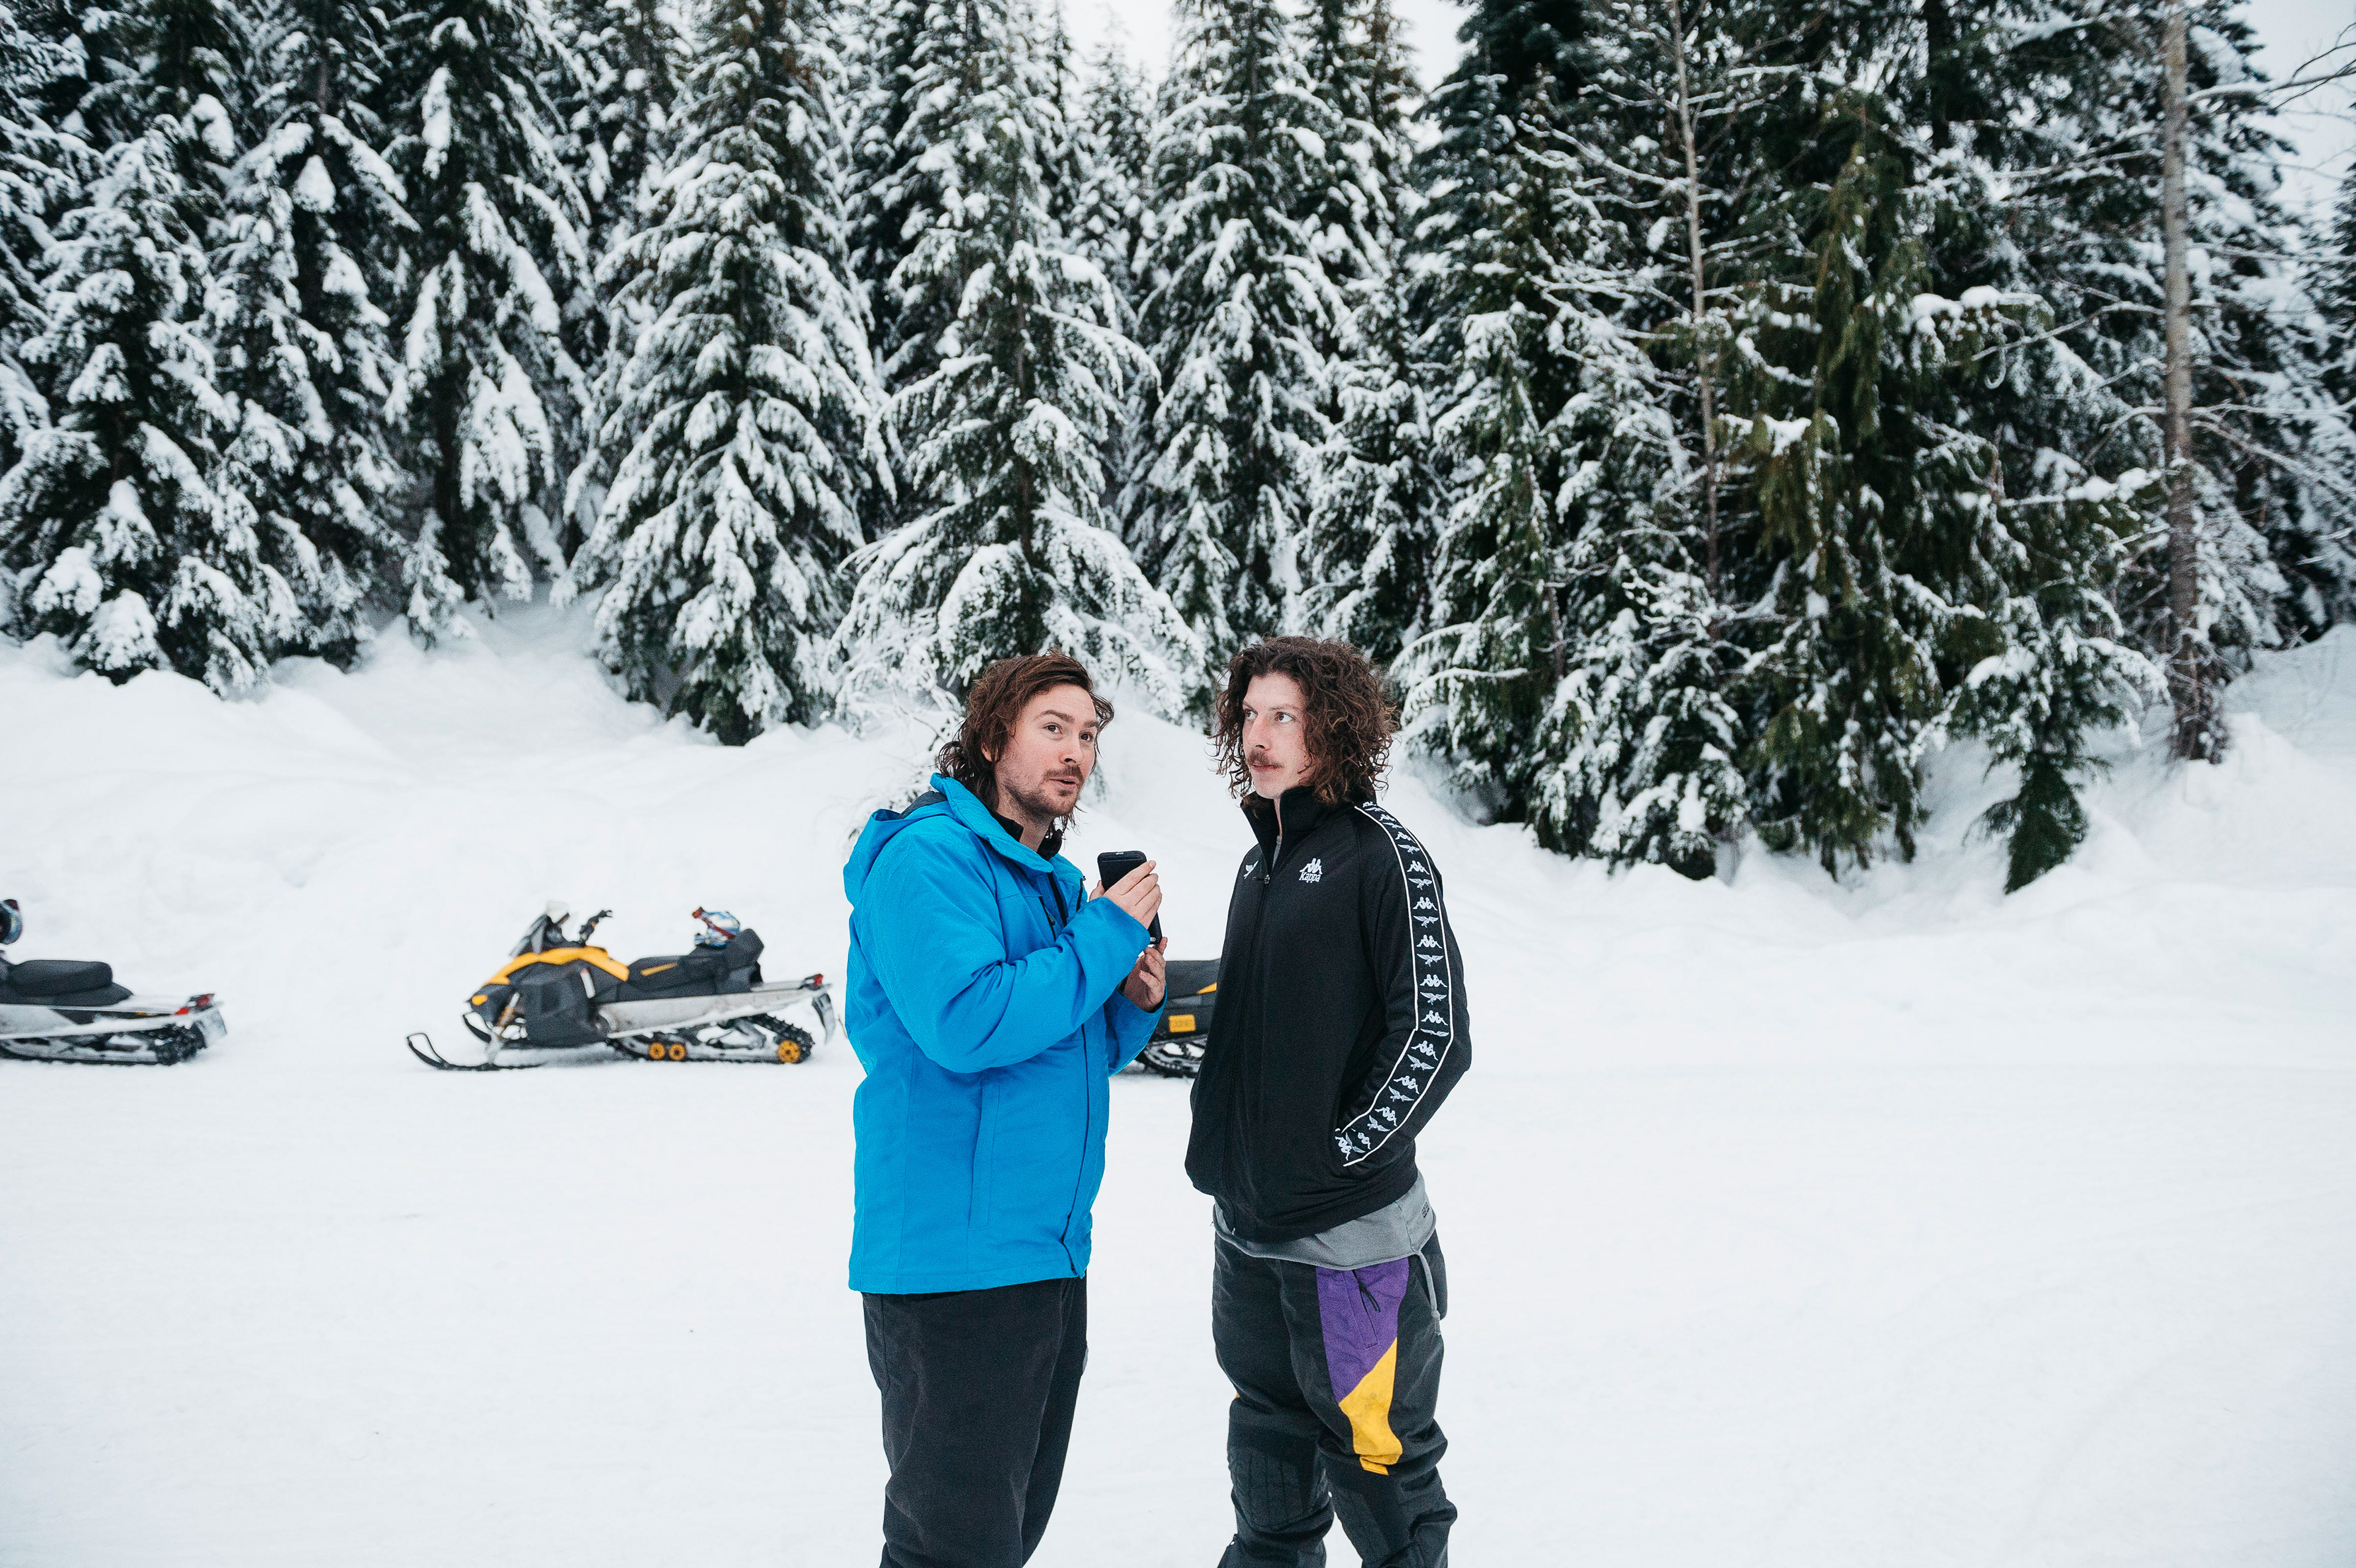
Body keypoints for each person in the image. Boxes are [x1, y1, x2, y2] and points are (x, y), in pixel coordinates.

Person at [841, 651, 1169, 1568]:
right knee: (953, 1546)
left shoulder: (1056, 886)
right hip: (952, 1265)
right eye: (1052, 729)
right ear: (992, 740)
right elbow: (967, 1021)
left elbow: (1074, 1052)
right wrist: (1104, 936)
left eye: (1089, 736)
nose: (1075, 753)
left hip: (1045, 1255)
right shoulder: (926, 861)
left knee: (1002, 1536)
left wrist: (1130, 1000)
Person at [1188, 636, 1471, 1568]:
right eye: (1251, 715)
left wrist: (1336, 1154)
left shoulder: (1380, 855)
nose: (1260, 736)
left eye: (1286, 717)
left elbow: (1434, 1035)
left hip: (1353, 1249)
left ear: (1334, 731)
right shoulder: (1259, 860)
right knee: (1268, 1455)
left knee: (1380, 1465)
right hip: (1250, 1235)